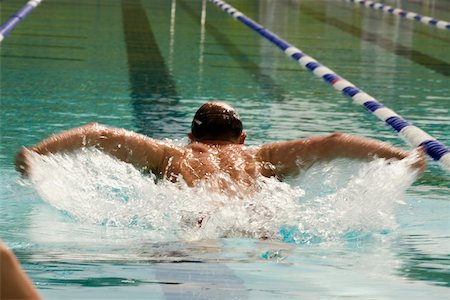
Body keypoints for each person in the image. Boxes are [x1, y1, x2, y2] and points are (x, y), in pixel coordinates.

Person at [15, 101, 426, 192]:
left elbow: (97, 132)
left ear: (191, 137)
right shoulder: (260, 157)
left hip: (190, 224)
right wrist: (406, 158)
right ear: (242, 138)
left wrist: (37, 154)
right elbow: (336, 143)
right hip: (259, 221)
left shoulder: (171, 154)